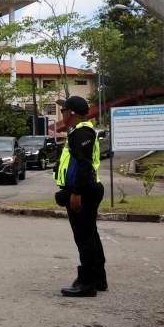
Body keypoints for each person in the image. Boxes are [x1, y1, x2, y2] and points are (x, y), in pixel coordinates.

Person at [53, 96, 107, 297]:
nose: (62, 113)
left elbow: (84, 166)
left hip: (84, 190)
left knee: (84, 237)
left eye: (63, 110)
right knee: (90, 234)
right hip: (86, 188)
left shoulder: (82, 133)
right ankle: (98, 279)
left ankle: (86, 283)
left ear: (71, 113)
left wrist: (76, 193)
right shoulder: (80, 132)